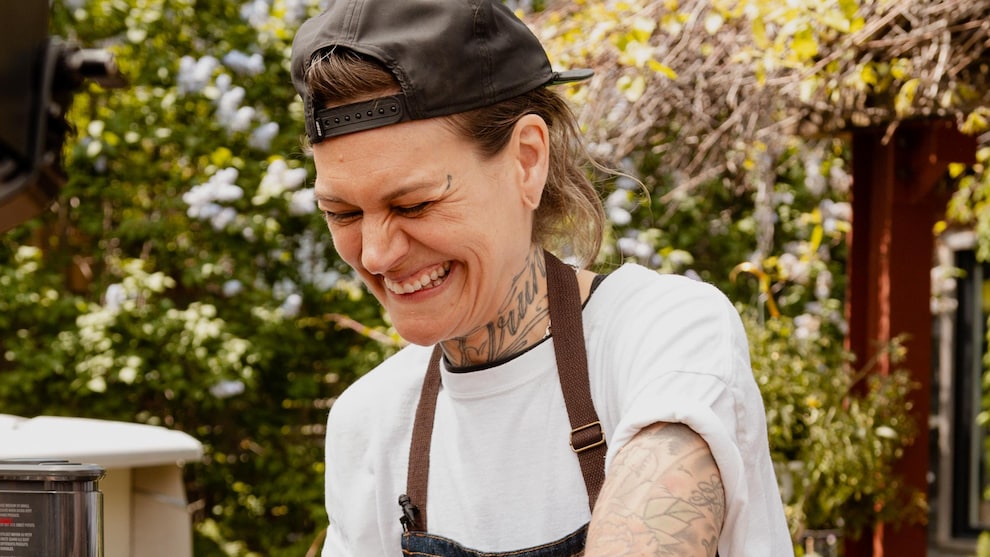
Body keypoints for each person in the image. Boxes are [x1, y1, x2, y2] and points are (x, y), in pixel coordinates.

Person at [290, 0, 794, 555]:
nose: (379, 255)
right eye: (343, 214)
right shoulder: (371, 420)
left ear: (527, 161)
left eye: (413, 204)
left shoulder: (662, 336)